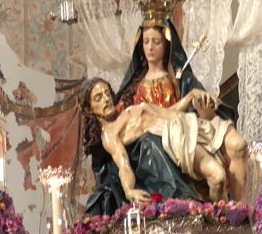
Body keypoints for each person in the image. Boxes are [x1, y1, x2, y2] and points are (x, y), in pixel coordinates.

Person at [115, 20, 248, 200]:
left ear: (167, 45)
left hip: (190, 128)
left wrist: (206, 111)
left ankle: (240, 211)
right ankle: (222, 216)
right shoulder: (134, 87)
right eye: (146, 42)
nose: (150, 48)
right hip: (169, 138)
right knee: (216, 176)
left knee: (238, 145)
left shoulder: (181, 79)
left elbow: (206, 108)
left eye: (156, 41)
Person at [83, 76, 227, 207]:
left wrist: (190, 96)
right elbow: (123, 163)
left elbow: (169, 112)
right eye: (98, 98)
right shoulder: (110, 134)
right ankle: (222, 220)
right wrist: (129, 190)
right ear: (90, 108)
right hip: (173, 139)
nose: (106, 99)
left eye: (107, 94)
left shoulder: (129, 111)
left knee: (223, 170)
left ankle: (226, 218)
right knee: (218, 177)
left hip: (183, 126)